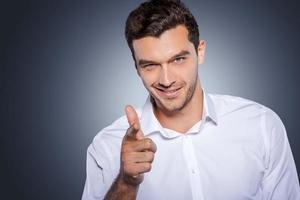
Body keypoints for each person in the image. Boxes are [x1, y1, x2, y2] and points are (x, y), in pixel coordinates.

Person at [82, 0, 300, 199]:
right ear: (137, 68)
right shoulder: (108, 146)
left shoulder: (261, 125)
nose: (166, 80)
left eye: (178, 59)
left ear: (200, 51)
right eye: (150, 65)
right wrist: (127, 182)